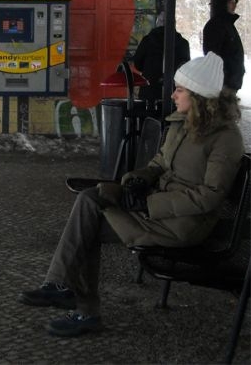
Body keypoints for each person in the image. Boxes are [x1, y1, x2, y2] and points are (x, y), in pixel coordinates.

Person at [18, 52, 244, 337]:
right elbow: (160, 163)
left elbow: (209, 196)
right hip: (158, 210)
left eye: (180, 89)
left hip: (182, 225)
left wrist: (149, 204)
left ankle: (81, 308)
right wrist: (136, 180)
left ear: (199, 97)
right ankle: (60, 286)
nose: (173, 94)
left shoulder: (225, 138)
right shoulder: (182, 123)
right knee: (90, 198)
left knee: (89, 223)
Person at [133, 25, 191, 108]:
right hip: (173, 89)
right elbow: (185, 67)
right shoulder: (183, 43)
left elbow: (137, 63)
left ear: (157, 23)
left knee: (148, 115)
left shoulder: (147, 41)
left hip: (149, 87)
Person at [202, 0, 245, 91]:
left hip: (230, 82)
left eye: (235, 3)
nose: (234, 6)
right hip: (223, 84)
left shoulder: (228, 25)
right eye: (231, 2)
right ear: (223, 4)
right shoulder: (216, 25)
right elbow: (212, 55)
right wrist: (226, 76)